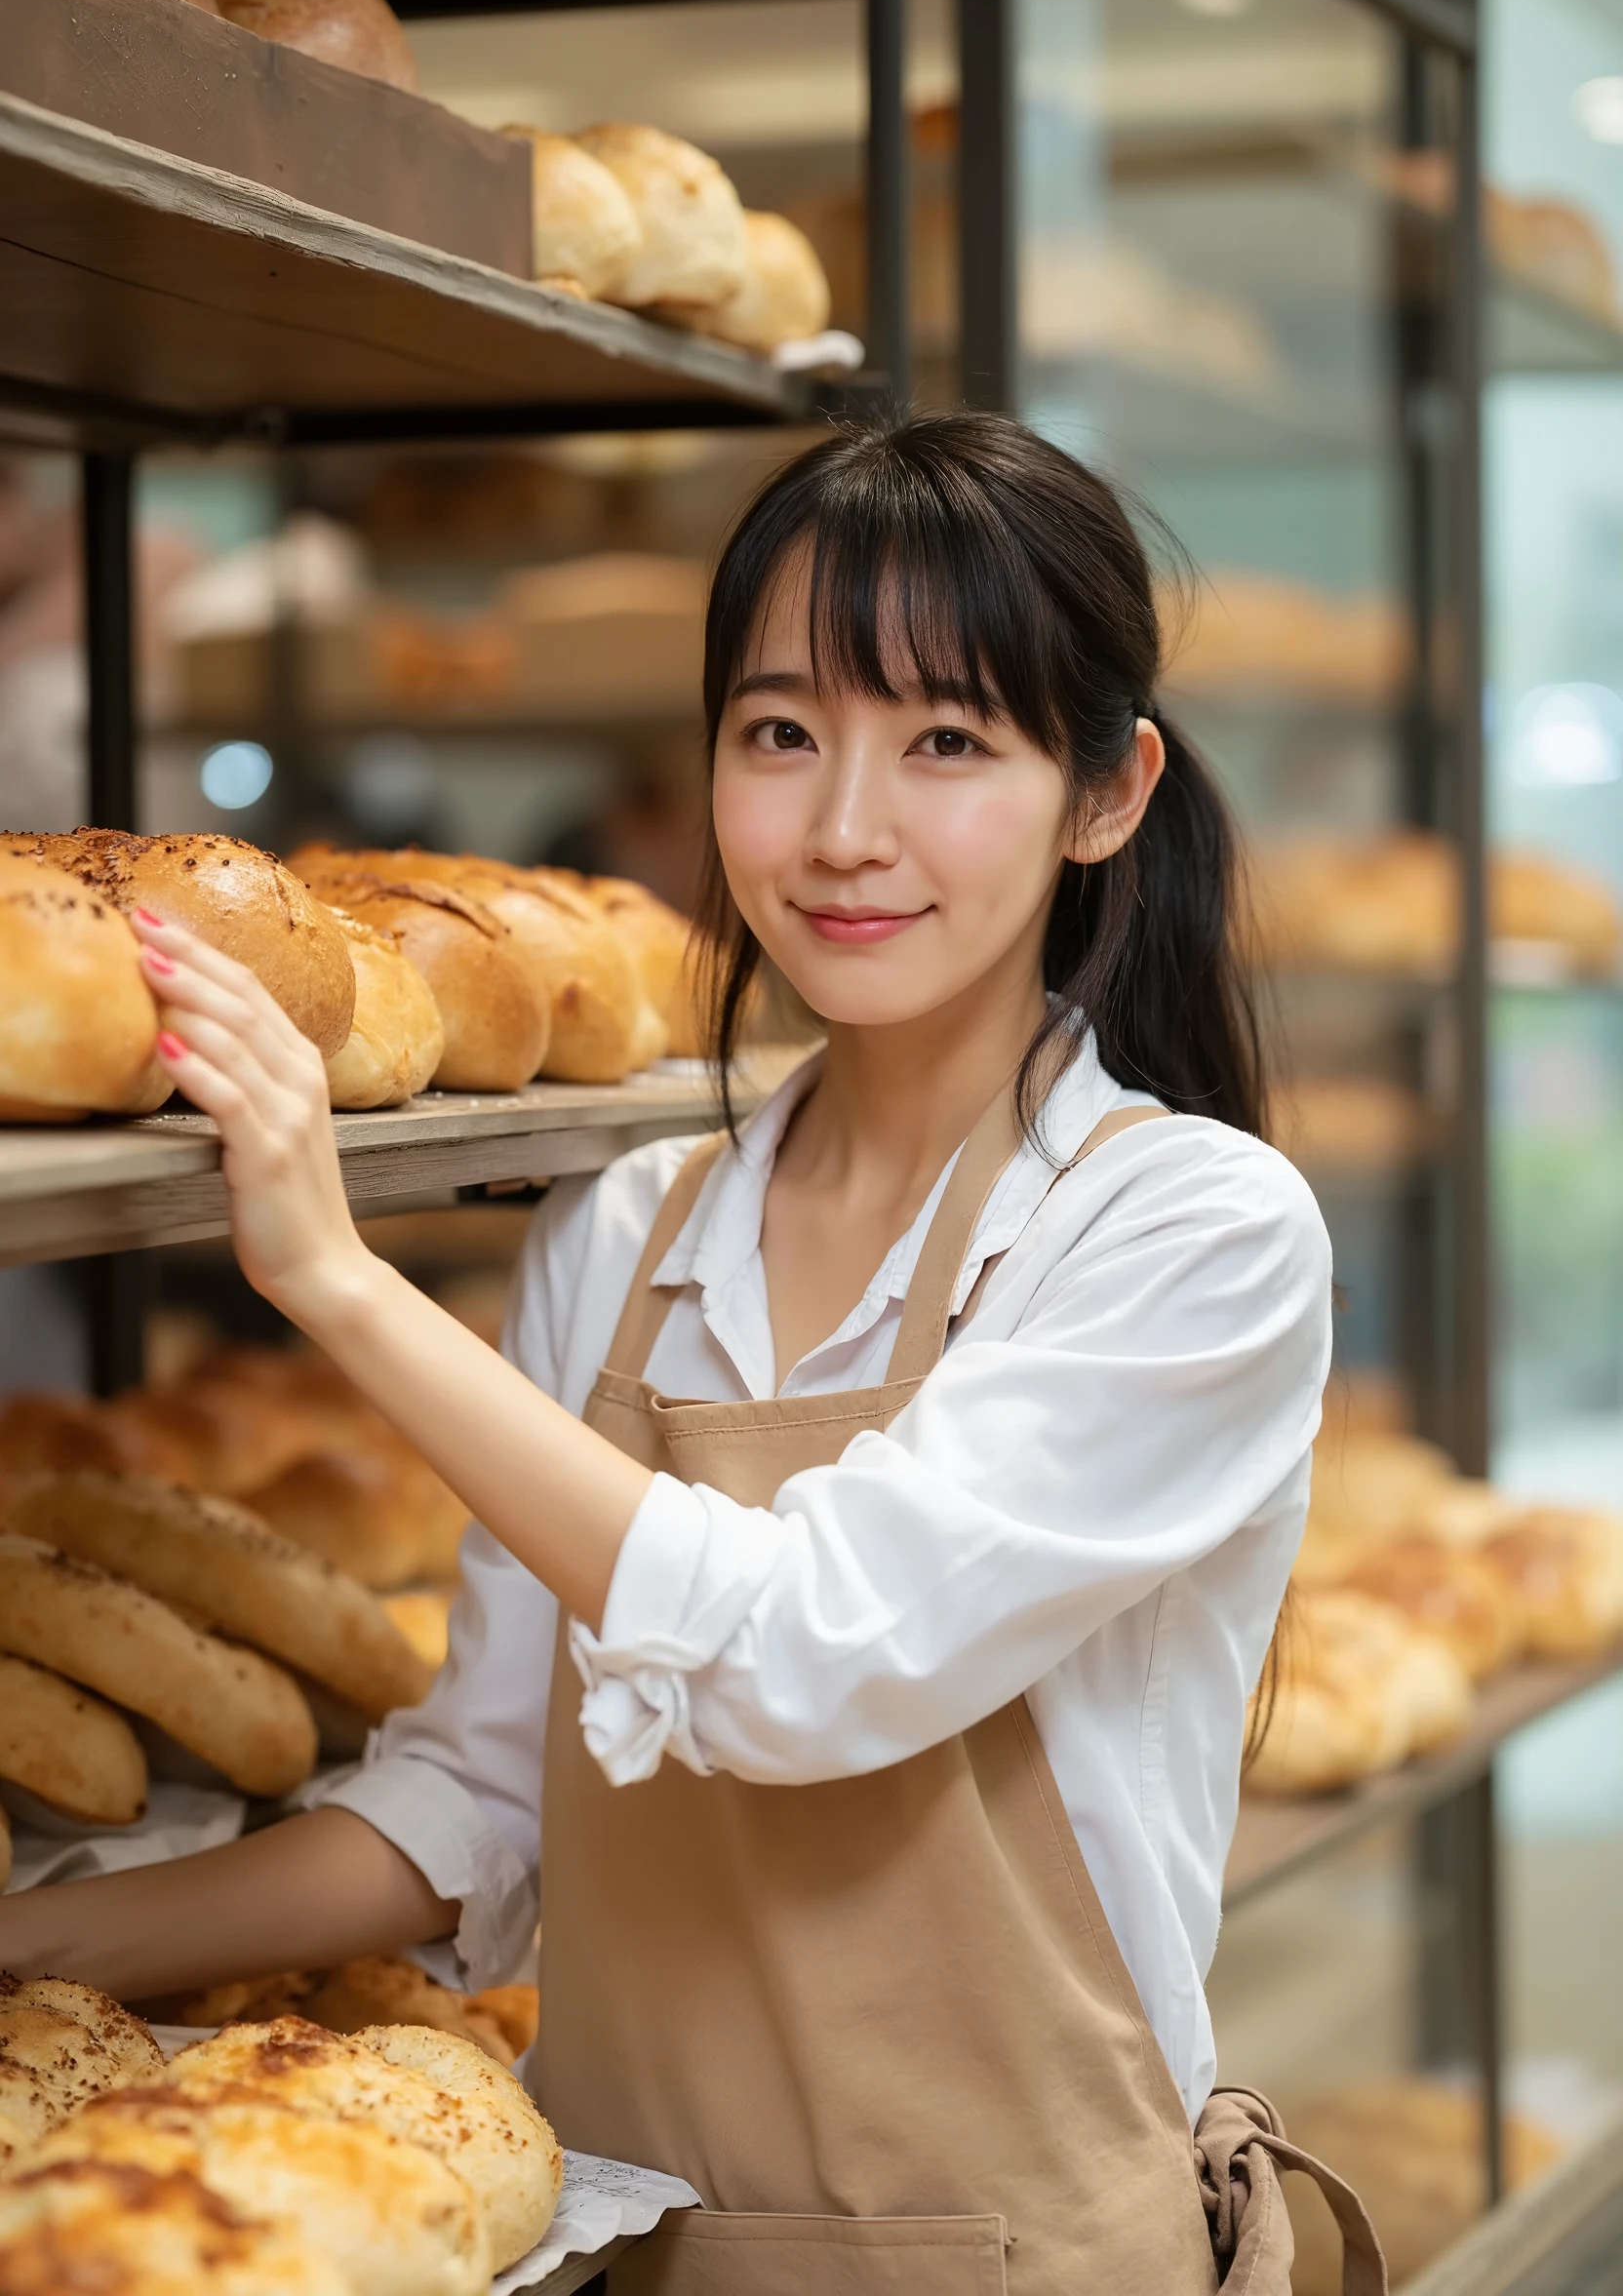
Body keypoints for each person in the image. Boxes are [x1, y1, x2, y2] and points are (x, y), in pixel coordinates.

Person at [0, 416, 1360, 2292]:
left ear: (1108, 791)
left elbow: (797, 1657)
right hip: (624, 2255)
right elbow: (482, 1802)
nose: (841, 829)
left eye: (948, 743)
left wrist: (339, 1275)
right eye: (780, 733)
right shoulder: (624, 1236)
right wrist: (41, 1945)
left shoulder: (1185, 1236)